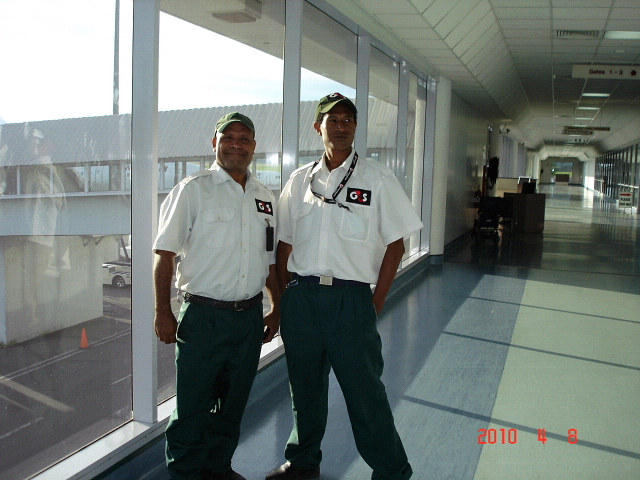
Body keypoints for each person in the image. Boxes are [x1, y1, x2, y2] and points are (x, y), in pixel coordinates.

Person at [266, 93, 421, 480]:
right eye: (332, 120)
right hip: (302, 298)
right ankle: (303, 461)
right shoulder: (300, 181)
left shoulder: (376, 178)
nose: (340, 126)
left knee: (365, 393)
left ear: (355, 127)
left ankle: (392, 471)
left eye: (348, 120)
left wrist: (375, 302)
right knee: (304, 389)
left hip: (350, 301)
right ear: (318, 127)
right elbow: (283, 246)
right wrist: (283, 302)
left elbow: (396, 244)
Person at [153, 112, 280, 480]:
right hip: (203, 317)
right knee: (193, 404)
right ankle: (185, 472)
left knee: (233, 403)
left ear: (254, 147)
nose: (236, 145)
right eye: (228, 138)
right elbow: (164, 254)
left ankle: (218, 468)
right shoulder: (193, 189)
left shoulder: (264, 197)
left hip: (248, 318)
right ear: (215, 144)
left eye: (244, 139)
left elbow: (269, 261)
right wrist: (162, 310)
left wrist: (276, 307)